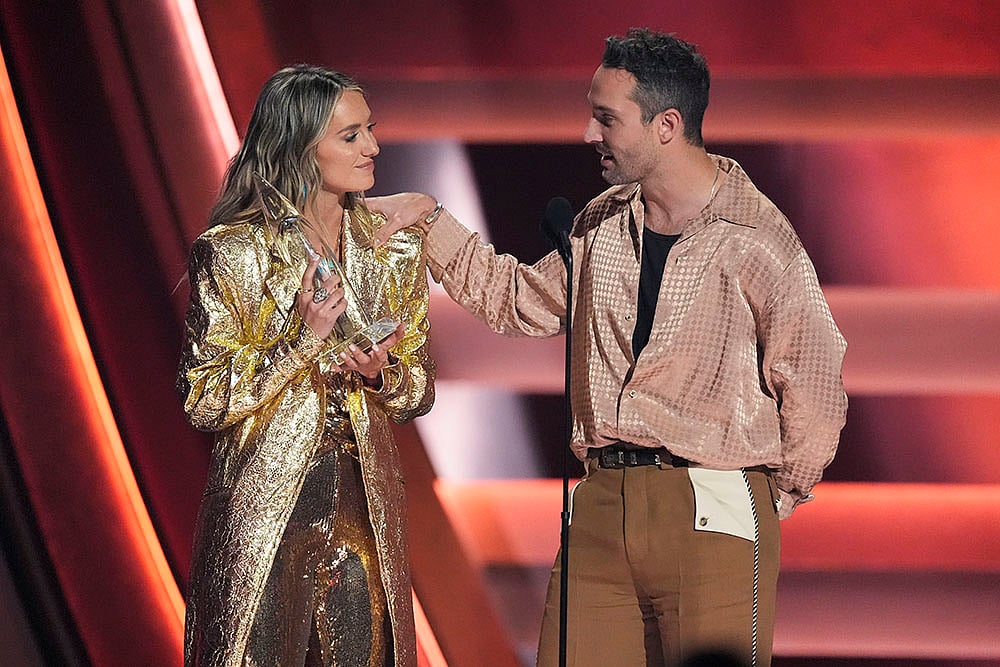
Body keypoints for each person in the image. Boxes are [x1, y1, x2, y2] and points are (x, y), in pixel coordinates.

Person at [371, 28, 847, 667]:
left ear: (666, 125)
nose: (589, 134)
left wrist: (767, 498)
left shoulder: (759, 240)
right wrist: (430, 219)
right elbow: (521, 301)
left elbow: (816, 387)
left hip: (715, 504)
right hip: (599, 505)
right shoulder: (599, 222)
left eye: (606, 118)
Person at [177, 65, 435, 666]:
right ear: (300, 145)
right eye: (351, 136)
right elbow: (204, 398)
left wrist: (381, 373)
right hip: (268, 512)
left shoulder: (392, 246)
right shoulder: (233, 250)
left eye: (370, 129)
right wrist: (303, 340)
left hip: (364, 510)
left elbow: (418, 389)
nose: (372, 147)